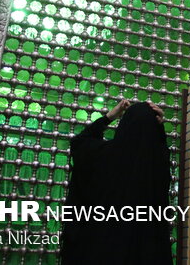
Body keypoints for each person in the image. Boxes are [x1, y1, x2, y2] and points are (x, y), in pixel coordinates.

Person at [60, 100, 173, 265]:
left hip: (100, 251)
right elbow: (160, 149)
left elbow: (79, 142)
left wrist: (109, 116)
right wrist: (159, 127)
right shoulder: (155, 167)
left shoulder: (103, 156)